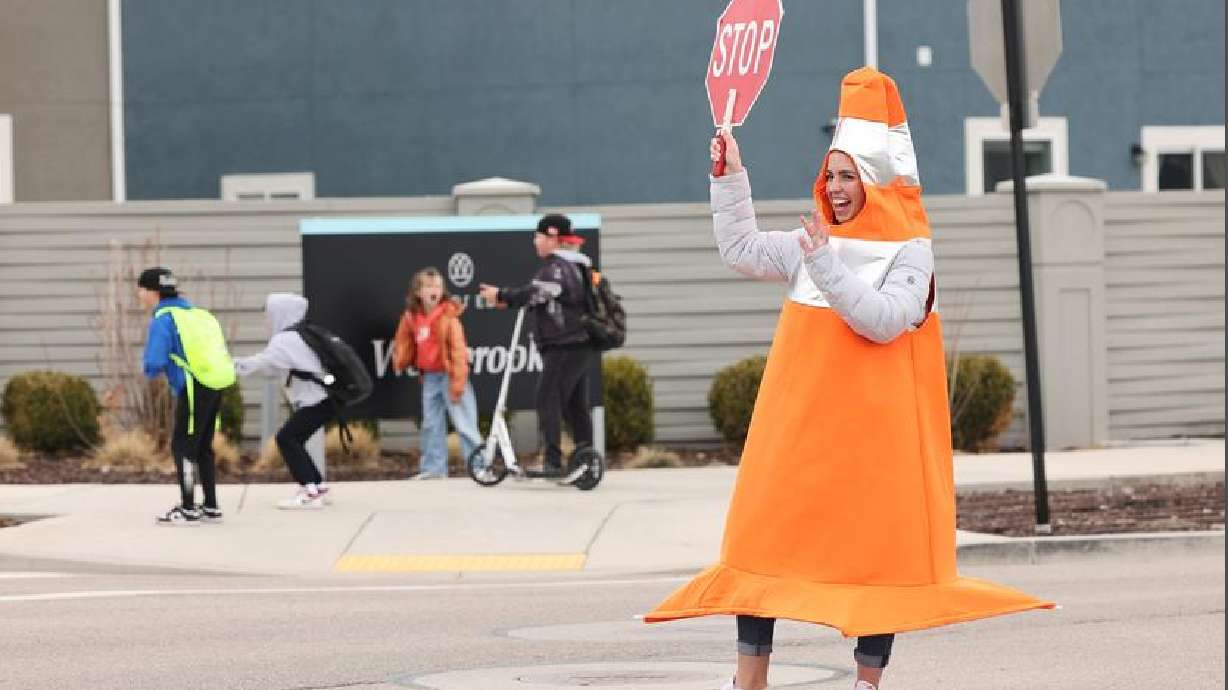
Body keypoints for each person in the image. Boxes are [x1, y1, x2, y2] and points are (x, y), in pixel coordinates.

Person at [644, 68, 1054, 690]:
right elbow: (741, 249)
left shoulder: (910, 252)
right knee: (760, 550)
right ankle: (747, 681)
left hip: (873, 447)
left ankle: (867, 683)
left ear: (879, 184)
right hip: (798, 436)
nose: (835, 189)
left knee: (874, 569)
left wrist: (823, 262)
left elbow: (885, 322)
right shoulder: (816, 239)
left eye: (849, 176)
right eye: (830, 174)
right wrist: (728, 175)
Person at [478, 214, 596, 483]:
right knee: (576, 405)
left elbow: (534, 293)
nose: (535, 241)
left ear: (553, 238)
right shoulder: (579, 265)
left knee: (547, 399)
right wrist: (508, 301)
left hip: (563, 345)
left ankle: (553, 461)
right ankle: (586, 459)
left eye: (539, 236)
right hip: (580, 344)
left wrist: (501, 295)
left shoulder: (557, 267)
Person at [137, 267, 227, 526]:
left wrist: (152, 370)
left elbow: (154, 362)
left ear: (152, 292)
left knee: (182, 446)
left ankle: (188, 508)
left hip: (191, 387)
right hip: (213, 384)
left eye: (141, 290)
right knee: (202, 446)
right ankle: (210, 506)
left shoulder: (164, 319)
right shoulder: (196, 314)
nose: (140, 295)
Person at [233, 293, 334, 509]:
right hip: (325, 399)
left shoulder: (286, 340)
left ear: (281, 314)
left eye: (267, 316)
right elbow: (272, 367)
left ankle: (310, 490)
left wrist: (227, 365)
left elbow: (260, 362)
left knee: (286, 439)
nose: (265, 321)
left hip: (318, 400)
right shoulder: (299, 336)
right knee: (294, 439)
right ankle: (316, 485)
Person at [393, 267, 481, 479]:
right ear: (418, 293)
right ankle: (433, 469)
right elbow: (403, 343)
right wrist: (401, 360)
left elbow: (459, 351)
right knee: (431, 425)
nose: (435, 290)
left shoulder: (448, 317)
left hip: (450, 375)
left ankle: (479, 467)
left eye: (439, 286)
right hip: (430, 376)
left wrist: (458, 382)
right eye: (430, 286)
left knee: (465, 424)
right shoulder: (412, 318)